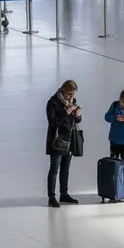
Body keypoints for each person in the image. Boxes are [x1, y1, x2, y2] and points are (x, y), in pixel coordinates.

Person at [45, 80, 82, 208]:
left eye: (73, 95)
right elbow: (53, 122)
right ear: (62, 91)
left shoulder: (72, 102)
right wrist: (66, 112)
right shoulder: (53, 102)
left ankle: (64, 194)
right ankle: (51, 197)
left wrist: (77, 115)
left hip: (69, 139)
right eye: (69, 94)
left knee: (65, 169)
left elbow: (75, 120)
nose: (71, 97)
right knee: (54, 168)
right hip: (57, 141)